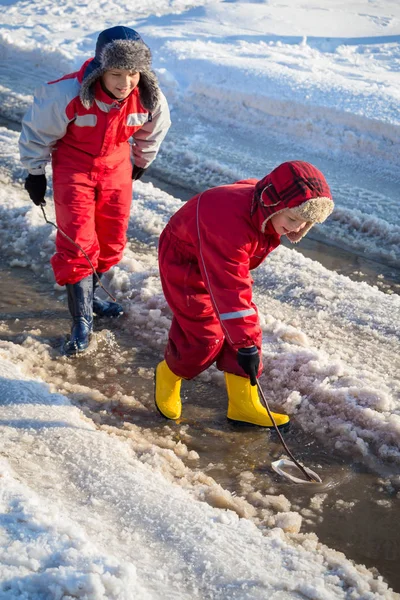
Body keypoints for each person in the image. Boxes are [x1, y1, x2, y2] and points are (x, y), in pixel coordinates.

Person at [19, 26, 171, 356]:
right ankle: (81, 320)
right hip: (74, 164)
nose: (125, 82)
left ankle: (91, 295)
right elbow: (37, 131)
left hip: (117, 163)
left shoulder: (148, 96)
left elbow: (154, 129)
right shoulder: (68, 94)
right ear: (101, 69)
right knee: (78, 240)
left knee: (112, 239)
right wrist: (34, 172)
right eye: (116, 73)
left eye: (132, 73)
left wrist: (142, 159)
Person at [155, 161, 334, 427]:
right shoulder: (231, 227)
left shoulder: (264, 209)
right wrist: (244, 342)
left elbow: (233, 287)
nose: (297, 228)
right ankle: (169, 374)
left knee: (246, 330)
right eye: (293, 219)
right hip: (186, 262)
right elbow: (229, 289)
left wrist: (246, 341)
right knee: (205, 335)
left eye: (305, 223)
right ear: (274, 205)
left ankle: (243, 404)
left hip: (220, 256)